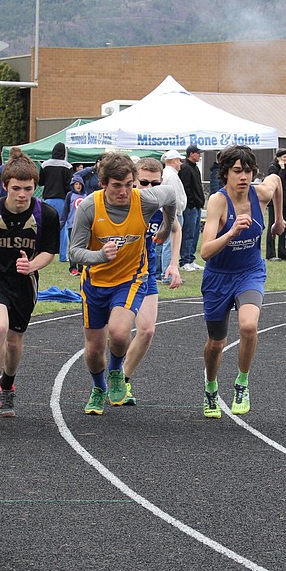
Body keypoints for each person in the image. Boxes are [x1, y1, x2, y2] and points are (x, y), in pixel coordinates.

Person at [68, 152, 176, 415]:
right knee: (94, 350)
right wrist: (99, 256)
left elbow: (171, 196)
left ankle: (116, 371)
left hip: (131, 278)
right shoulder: (90, 207)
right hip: (95, 283)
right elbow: (74, 252)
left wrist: (165, 227)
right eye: (117, 185)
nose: (124, 191)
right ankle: (98, 388)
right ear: (104, 183)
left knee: (118, 332)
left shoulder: (145, 200)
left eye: (129, 184)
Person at [0, 150, 60, 418]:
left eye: (28, 189)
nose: (22, 194)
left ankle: (7, 387)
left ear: (35, 187)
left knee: (15, 341)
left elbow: (49, 252)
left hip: (24, 283)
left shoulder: (47, 215)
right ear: (5, 185)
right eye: (16, 188)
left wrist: (31, 265)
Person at [199, 145, 283, 417]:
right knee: (216, 343)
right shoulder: (218, 202)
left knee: (248, 326)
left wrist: (279, 220)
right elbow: (205, 251)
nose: (244, 176)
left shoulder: (261, 194)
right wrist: (231, 232)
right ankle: (211, 387)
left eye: (247, 170)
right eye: (237, 171)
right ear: (226, 173)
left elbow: (277, 180)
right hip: (218, 278)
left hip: (250, 272)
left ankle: (241, 383)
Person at [120, 158, 183, 405]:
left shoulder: (161, 203)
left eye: (155, 183)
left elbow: (176, 228)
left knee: (146, 330)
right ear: (133, 180)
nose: (149, 188)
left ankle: (123, 379)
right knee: (117, 333)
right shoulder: (121, 201)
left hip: (144, 274)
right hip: (115, 276)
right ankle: (106, 377)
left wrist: (174, 263)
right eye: (143, 182)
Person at [38, 142, 73, 262]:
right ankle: (63, 256)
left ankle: (42, 252)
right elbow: (69, 186)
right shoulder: (67, 166)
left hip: (47, 199)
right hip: (62, 200)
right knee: (62, 227)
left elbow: (40, 182)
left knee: (45, 226)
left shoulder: (45, 165)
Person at [157, 150, 188, 281]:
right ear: (174, 160)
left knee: (161, 242)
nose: (180, 163)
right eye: (179, 160)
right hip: (173, 213)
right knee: (171, 242)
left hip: (166, 211)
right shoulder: (172, 176)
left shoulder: (166, 174)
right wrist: (177, 210)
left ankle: (160, 271)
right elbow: (174, 196)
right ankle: (167, 274)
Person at [178, 144, 204, 271]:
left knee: (195, 233)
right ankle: (184, 260)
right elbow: (186, 187)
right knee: (188, 233)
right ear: (191, 153)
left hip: (197, 206)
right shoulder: (186, 168)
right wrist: (191, 203)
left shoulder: (195, 168)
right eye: (198, 153)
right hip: (190, 207)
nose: (199, 155)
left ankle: (191, 259)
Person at [264, 149, 286, 262]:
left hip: (285, 201)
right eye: (284, 157)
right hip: (274, 202)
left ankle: (283, 253)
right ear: (278, 157)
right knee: (273, 226)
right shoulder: (273, 168)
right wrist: (281, 169)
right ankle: (270, 253)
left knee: (283, 226)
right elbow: (276, 181)